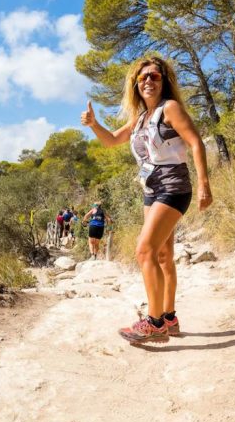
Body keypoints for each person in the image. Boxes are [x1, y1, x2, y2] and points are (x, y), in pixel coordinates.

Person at [80, 56, 212, 343]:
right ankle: (168, 318)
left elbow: (195, 142)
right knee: (163, 255)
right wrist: (93, 125)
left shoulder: (170, 108)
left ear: (164, 82)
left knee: (144, 251)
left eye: (155, 76)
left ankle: (153, 324)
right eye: (143, 78)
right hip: (150, 190)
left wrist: (204, 183)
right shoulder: (140, 118)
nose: (148, 81)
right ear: (136, 85)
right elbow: (112, 140)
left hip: (173, 186)